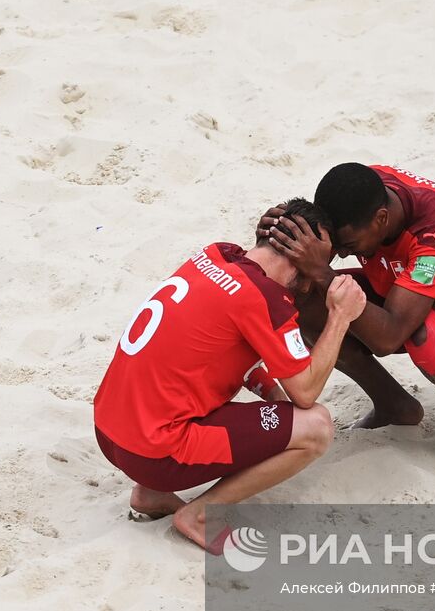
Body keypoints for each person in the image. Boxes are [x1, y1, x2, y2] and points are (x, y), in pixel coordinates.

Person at [93, 198, 367, 551]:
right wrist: (340, 317)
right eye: (319, 263)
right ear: (301, 256)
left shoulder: (215, 254)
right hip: (153, 453)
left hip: (108, 431)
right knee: (316, 427)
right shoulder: (264, 297)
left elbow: (227, 355)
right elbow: (306, 392)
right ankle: (200, 515)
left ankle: (151, 493)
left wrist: (276, 405)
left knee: (208, 395)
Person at [258, 164, 435, 474]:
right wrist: (281, 235)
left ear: (382, 219)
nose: (338, 253)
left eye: (348, 247)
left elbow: (389, 337)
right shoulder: (365, 192)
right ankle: (394, 405)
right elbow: (314, 259)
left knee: (429, 336)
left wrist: (323, 272)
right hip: (412, 287)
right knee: (304, 298)